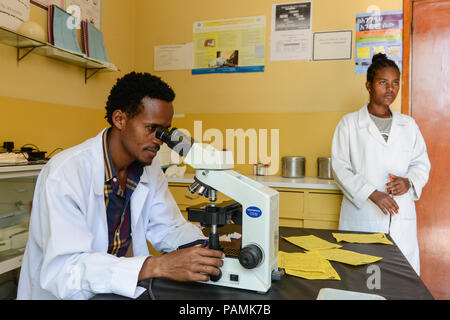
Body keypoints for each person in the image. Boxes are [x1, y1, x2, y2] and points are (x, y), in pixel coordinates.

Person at [17, 72, 224, 299]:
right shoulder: (65, 172)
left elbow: (167, 227)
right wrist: (157, 265)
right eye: (152, 128)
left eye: (165, 131)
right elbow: (67, 269)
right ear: (120, 119)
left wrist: (204, 248)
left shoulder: (149, 168)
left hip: (107, 291)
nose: (160, 139)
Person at [331, 53, 430, 275]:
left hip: (400, 219)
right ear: (368, 85)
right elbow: (340, 168)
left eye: (395, 83)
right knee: (361, 282)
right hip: (363, 216)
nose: (390, 89)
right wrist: (372, 194)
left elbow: (421, 163)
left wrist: (409, 182)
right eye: (382, 82)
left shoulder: (409, 125)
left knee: (399, 283)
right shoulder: (349, 124)